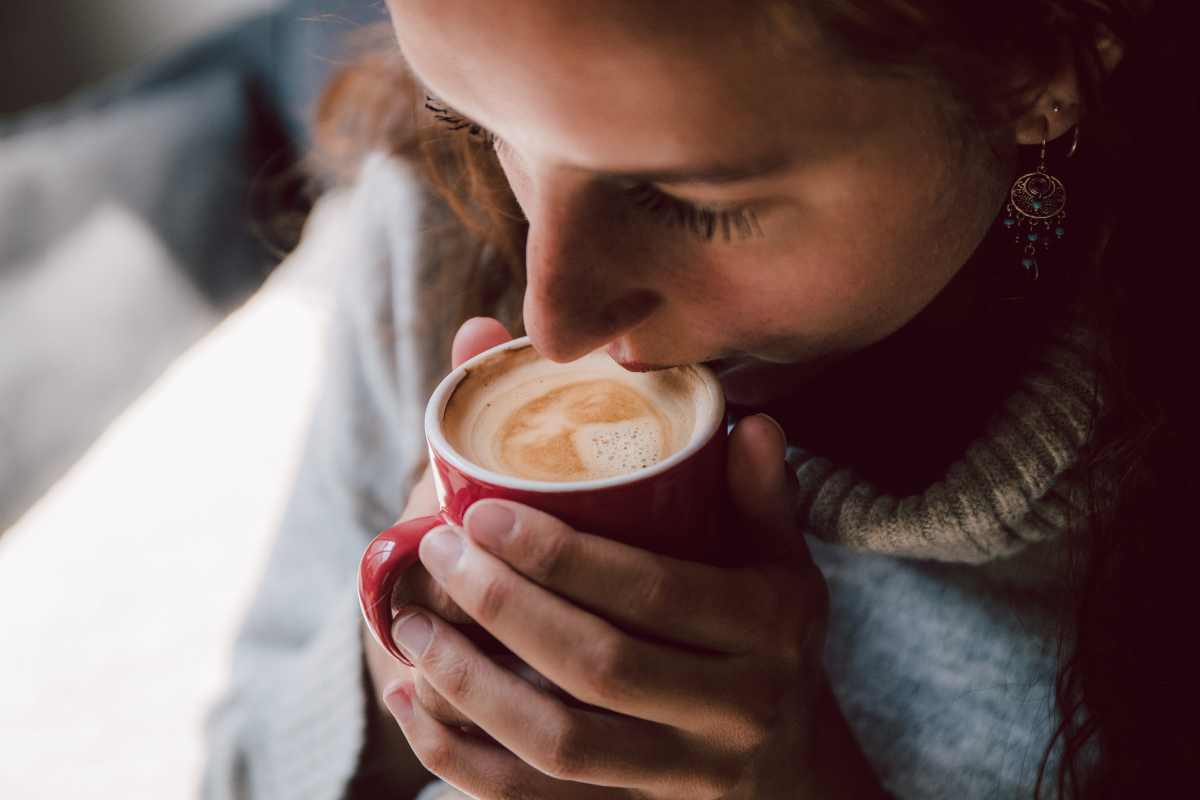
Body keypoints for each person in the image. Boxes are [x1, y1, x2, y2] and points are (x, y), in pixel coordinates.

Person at [203, 1, 1197, 798]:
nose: (553, 321)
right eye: (478, 119)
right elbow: (232, 766)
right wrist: (411, 669)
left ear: (1039, 76)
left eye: (690, 202)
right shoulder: (431, 218)